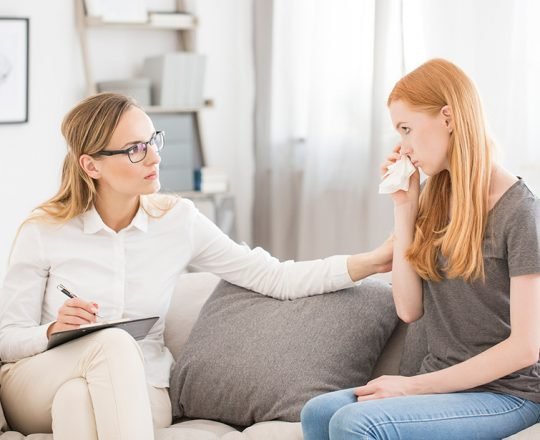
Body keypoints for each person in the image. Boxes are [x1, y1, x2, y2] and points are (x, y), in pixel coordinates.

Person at [0, 92, 392, 440]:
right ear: (91, 166)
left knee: (76, 403)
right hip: (37, 380)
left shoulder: (178, 221)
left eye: (153, 140)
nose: (154, 156)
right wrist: (52, 330)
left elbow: (272, 276)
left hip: (142, 386)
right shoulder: (45, 230)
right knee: (109, 345)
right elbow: (7, 338)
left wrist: (370, 262)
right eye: (135, 149)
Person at [300, 58, 540, 439]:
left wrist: (410, 386)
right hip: (439, 384)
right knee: (318, 412)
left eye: (407, 129)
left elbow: (526, 348)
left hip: (507, 392)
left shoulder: (520, 210)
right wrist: (405, 206)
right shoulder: (434, 196)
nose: (403, 147)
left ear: (448, 117)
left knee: (354, 422)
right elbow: (409, 309)